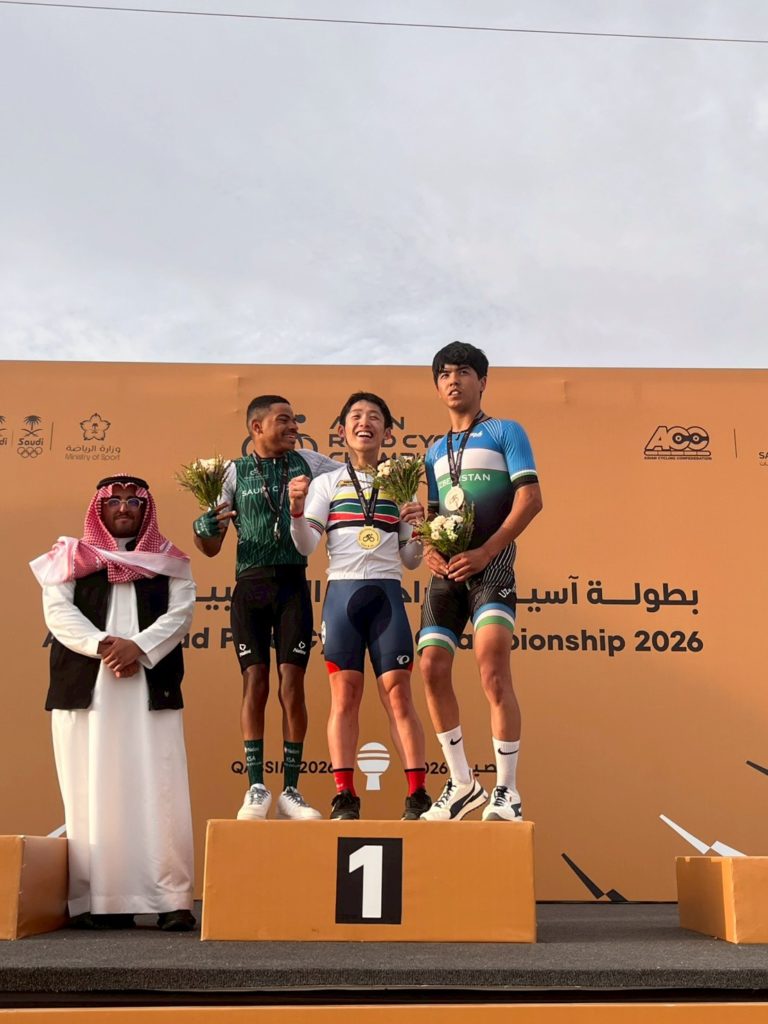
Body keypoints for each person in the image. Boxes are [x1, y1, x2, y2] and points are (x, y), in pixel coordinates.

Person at [30, 475, 197, 931]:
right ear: (99, 508)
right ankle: (102, 900)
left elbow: (181, 614)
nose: (123, 508)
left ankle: (170, 899)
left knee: (160, 789)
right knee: (92, 787)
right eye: (115, 501)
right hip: (87, 691)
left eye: (133, 502)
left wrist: (137, 648)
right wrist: (107, 647)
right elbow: (58, 612)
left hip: (149, 688)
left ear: (146, 510)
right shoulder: (70, 557)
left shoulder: (169, 562)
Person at [193, 395, 337, 821]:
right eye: (284, 420)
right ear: (257, 428)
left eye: (295, 420)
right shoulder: (231, 473)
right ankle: (255, 786)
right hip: (250, 588)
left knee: (292, 684)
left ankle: (291, 790)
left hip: (293, 585)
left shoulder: (312, 462)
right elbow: (211, 546)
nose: (294, 427)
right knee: (254, 681)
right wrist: (203, 529)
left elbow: (356, 481)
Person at [288, 392, 430, 820]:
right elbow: (306, 545)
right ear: (341, 431)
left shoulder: (401, 484)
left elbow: (411, 560)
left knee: (399, 694)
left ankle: (418, 794)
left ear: (388, 432)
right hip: (342, 597)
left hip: (387, 595)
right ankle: (344, 795)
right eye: (356, 416)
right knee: (345, 696)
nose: (364, 422)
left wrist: (419, 529)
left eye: (374, 417)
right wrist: (296, 513)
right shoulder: (327, 483)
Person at [417, 342, 543, 822]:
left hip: (491, 567)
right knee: (431, 667)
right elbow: (434, 515)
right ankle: (462, 783)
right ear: (437, 387)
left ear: (482, 381)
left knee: (492, 668)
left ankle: (507, 791)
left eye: (464, 372)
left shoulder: (506, 431)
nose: (454, 380)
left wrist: (486, 551)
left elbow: (530, 500)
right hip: (448, 573)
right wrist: (429, 548)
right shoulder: (433, 451)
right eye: (445, 374)